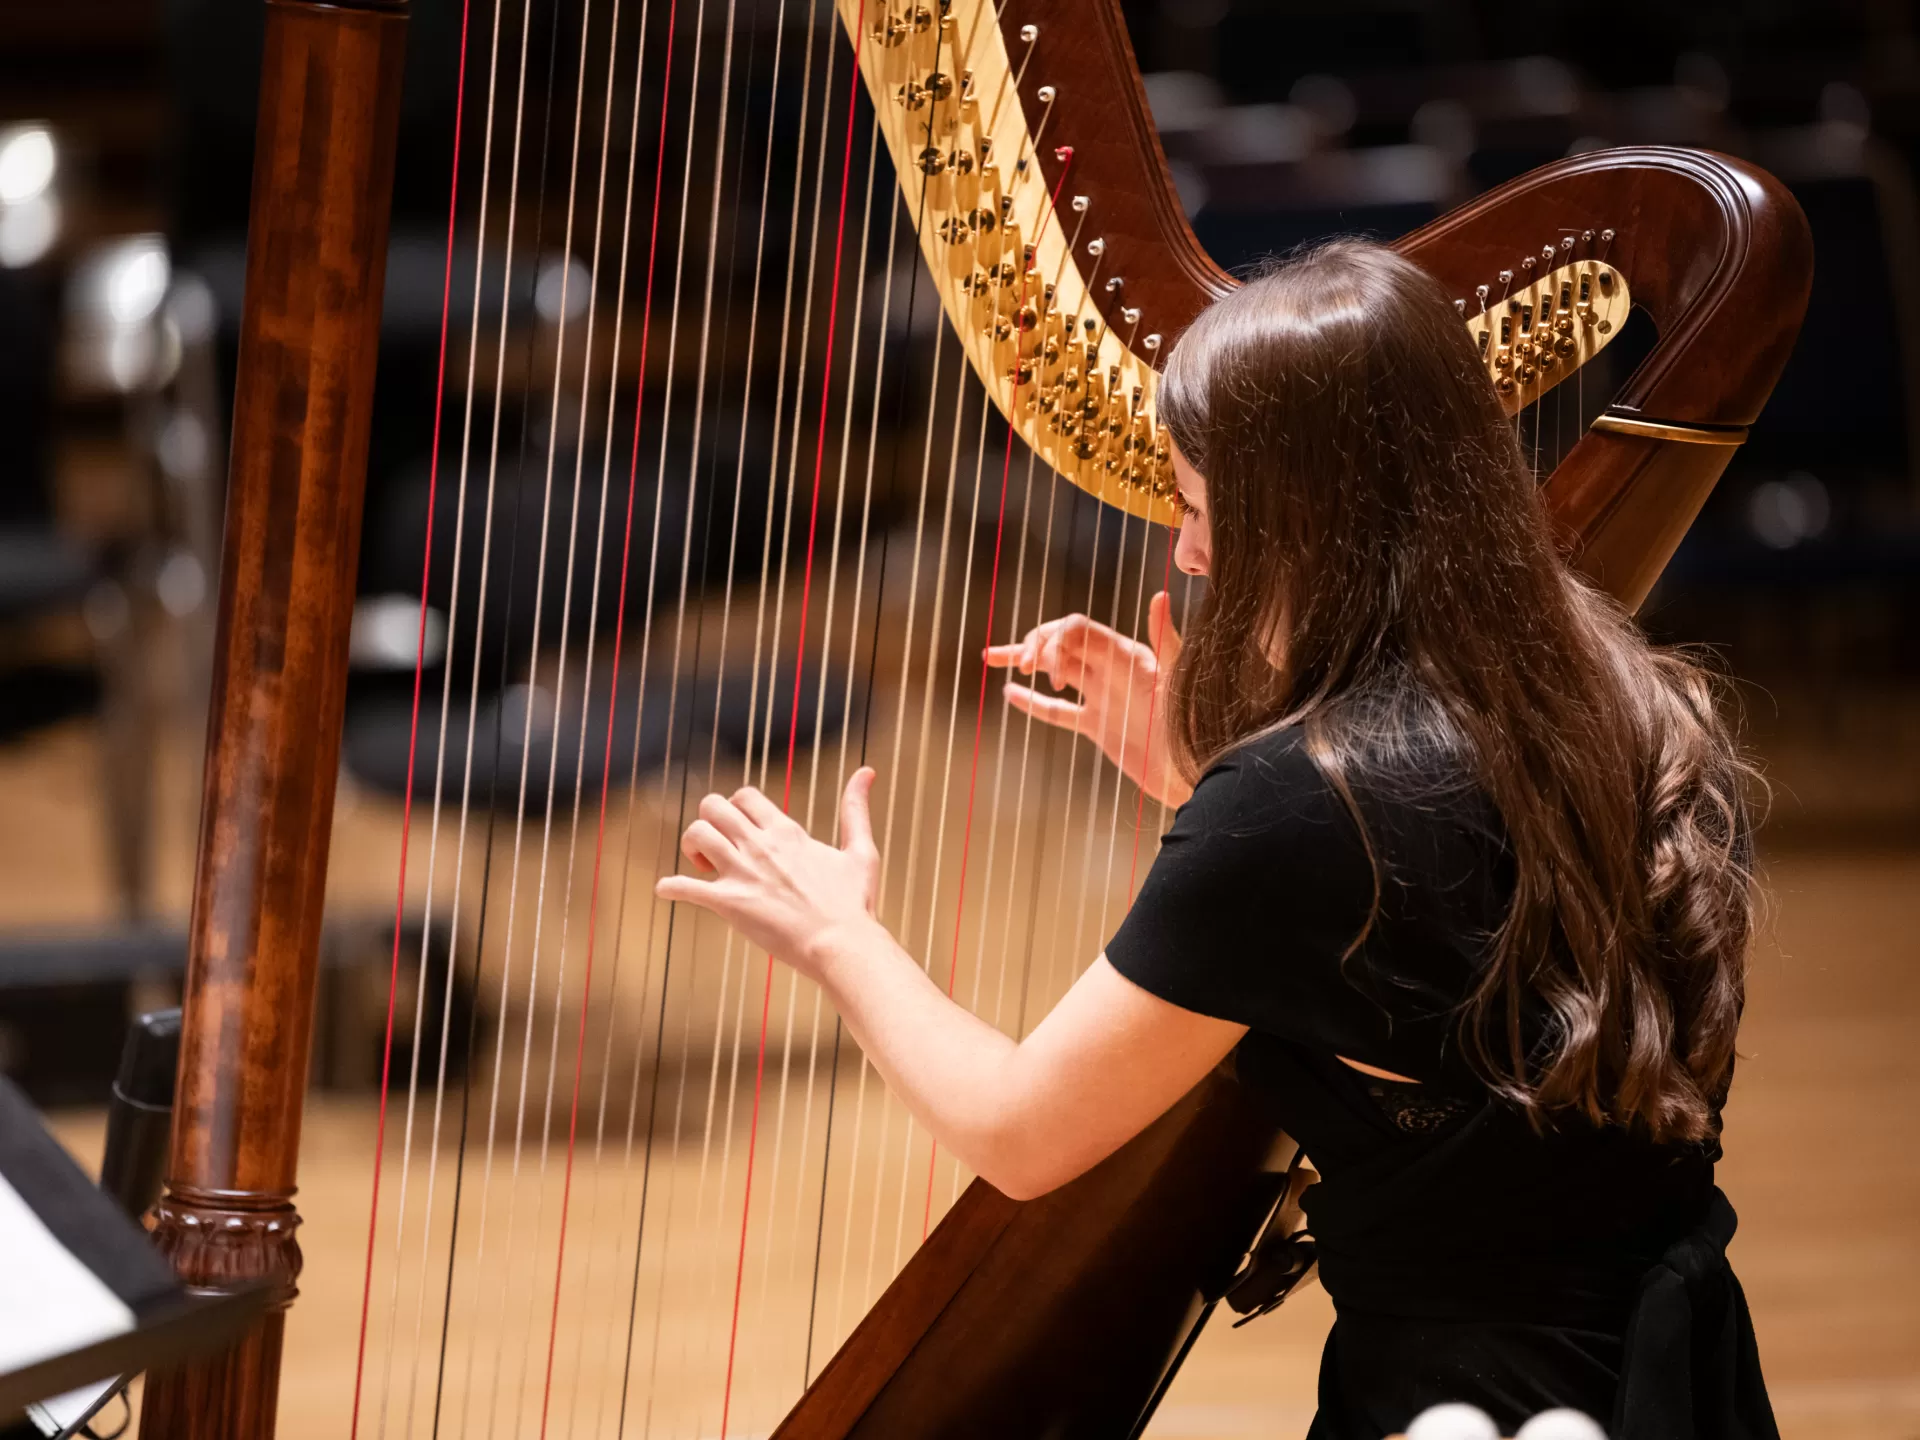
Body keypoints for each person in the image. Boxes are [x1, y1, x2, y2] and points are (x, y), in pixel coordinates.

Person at [655, 240, 1777, 1439]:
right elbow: (1439, 914)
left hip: (1468, 1402)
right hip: (1666, 1378)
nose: (1187, 553)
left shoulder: (1301, 812)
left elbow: (1020, 1133)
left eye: (1196, 507)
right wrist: (1207, 783)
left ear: (1310, 518)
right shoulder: (1627, 693)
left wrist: (837, 933)